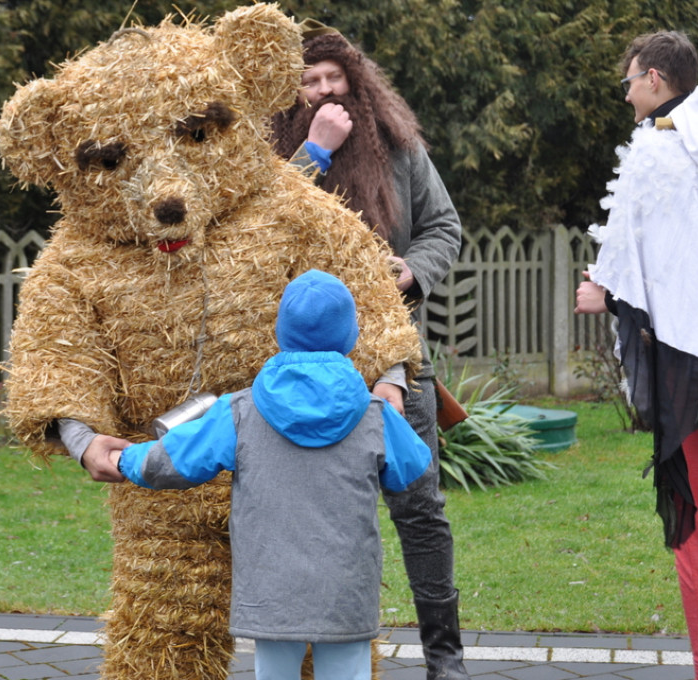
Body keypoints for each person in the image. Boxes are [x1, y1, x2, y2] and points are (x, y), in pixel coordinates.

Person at [109, 269, 432, 680]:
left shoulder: (240, 410)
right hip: (346, 590)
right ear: (351, 336)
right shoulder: (375, 416)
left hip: (270, 590)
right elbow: (412, 468)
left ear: (280, 333)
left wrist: (124, 459)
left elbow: (173, 461)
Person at [269, 22, 467, 680]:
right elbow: (261, 226)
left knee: (419, 506)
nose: (324, 89)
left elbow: (444, 225)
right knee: (306, 514)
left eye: (334, 77)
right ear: (290, 92)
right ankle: (312, 656)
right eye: (309, 81)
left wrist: (412, 271)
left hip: (395, 355)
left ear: (355, 81)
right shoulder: (272, 151)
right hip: (299, 367)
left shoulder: (400, 149)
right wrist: (314, 151)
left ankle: (446, 657)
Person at [575, 31, 698, 680]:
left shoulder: (663, 149)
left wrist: (603, 295)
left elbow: (660, 276)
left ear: (657, 79)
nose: (627, 92)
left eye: (630, 79)